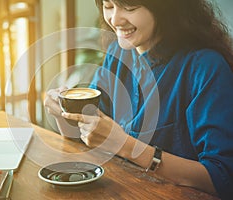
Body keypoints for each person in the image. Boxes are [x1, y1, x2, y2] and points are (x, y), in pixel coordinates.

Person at [44, 0, 233, 199]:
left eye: (130, 8)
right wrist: (63, 113)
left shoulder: (205, 67)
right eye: (109, 6)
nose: (115, 19)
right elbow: (90, 139)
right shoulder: (118, 53)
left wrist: (128, 147)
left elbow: (221, 179)